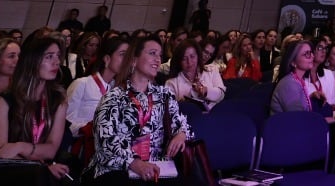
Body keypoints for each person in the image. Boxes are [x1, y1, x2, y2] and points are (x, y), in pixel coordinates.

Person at [89, 36, 189, 184]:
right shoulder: (114, 97)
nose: (158, 59)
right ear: (134, 60)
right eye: (152, 53)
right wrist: (134, 163)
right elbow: (106, 143)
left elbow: (182, 123)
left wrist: (181, 134)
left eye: (160, 55)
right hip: (118, 169)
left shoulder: (164, 94)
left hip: (155, 167)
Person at [0, 34, 72, 179]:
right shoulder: (3, 101)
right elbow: (1, 155)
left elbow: (51, 149)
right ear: (32, 60)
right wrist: (40, 165)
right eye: (49, 56)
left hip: (42, 172)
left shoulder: (58, 100)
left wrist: (20, 146)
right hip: (10, 174)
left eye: (58, 56)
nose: (57, 62)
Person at [67, 34, 129, 164]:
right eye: (122, 54)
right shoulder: (82, 84)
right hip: (79, 153)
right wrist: (93, 128)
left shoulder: (118, 91)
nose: (126, 60)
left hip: (106, 155)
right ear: (107, 59)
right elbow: (66, 125)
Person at [270, 38, 331, 116]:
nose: (312, 56)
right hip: (286, 127)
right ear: (293, 62)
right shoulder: (289, 84)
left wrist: (310, 97)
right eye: (307, 54)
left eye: (311, 52)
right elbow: (298, 117)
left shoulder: (297, 80)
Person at [164, 39, 225, 114]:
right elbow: (168, 111)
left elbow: (221, 95)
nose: (189, 62)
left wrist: (206, 91)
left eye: (192, 57)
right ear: (179, 61)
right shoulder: (172, 83)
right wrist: (182, 105)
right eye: (184, 58)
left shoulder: (212, 70)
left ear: (198, 56)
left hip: (215, 117)